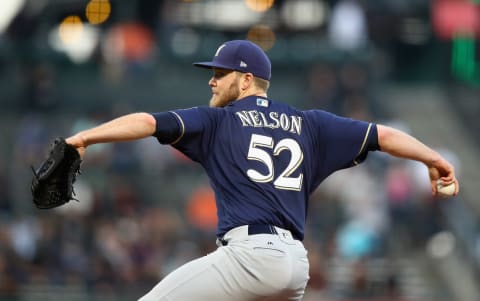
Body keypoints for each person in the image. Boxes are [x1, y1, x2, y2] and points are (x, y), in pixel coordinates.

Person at [65, 40, 459, 301]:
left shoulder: (217, 121)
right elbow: (383, 134)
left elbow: (148, 122)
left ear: (247, 79)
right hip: (294, 266)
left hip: (250, 257)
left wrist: (83, 139)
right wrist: (434, 160)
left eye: (221, 74)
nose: (212, 80)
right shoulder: (311, 124)